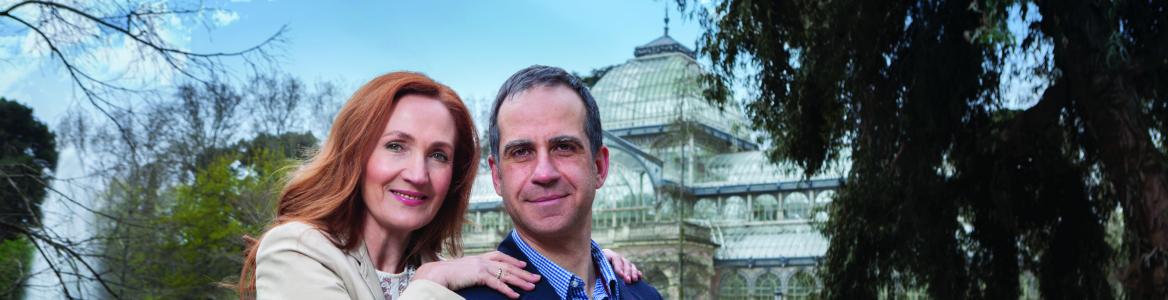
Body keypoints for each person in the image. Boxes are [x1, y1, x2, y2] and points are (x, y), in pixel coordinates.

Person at [237, 72, 641, 300]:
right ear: (356, 155)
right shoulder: (297, 249)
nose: (418, 173)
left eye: (439, 155)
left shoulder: (451, 265)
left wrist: (594, 263)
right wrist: (430, 283)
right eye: (396, 146)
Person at [458, 66, 662, 299]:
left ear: (599, 166)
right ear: (497, 176)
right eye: (521, 152)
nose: (544, 174)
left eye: (563, 147)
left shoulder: (646, 295)